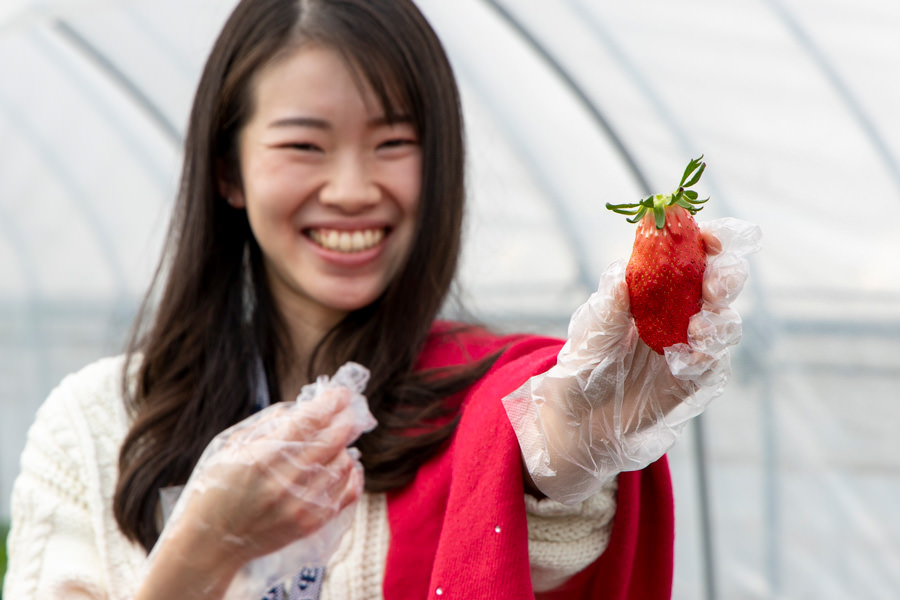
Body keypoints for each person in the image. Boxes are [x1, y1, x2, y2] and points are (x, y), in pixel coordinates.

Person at [2, 0, 760, 598]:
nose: (353, 189)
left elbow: (541, 532)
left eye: (394, 143)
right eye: (304, 145)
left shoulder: (484, 405)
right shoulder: (92, 428)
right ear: (228, 171)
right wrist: (204, 548)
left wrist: (562, 448)